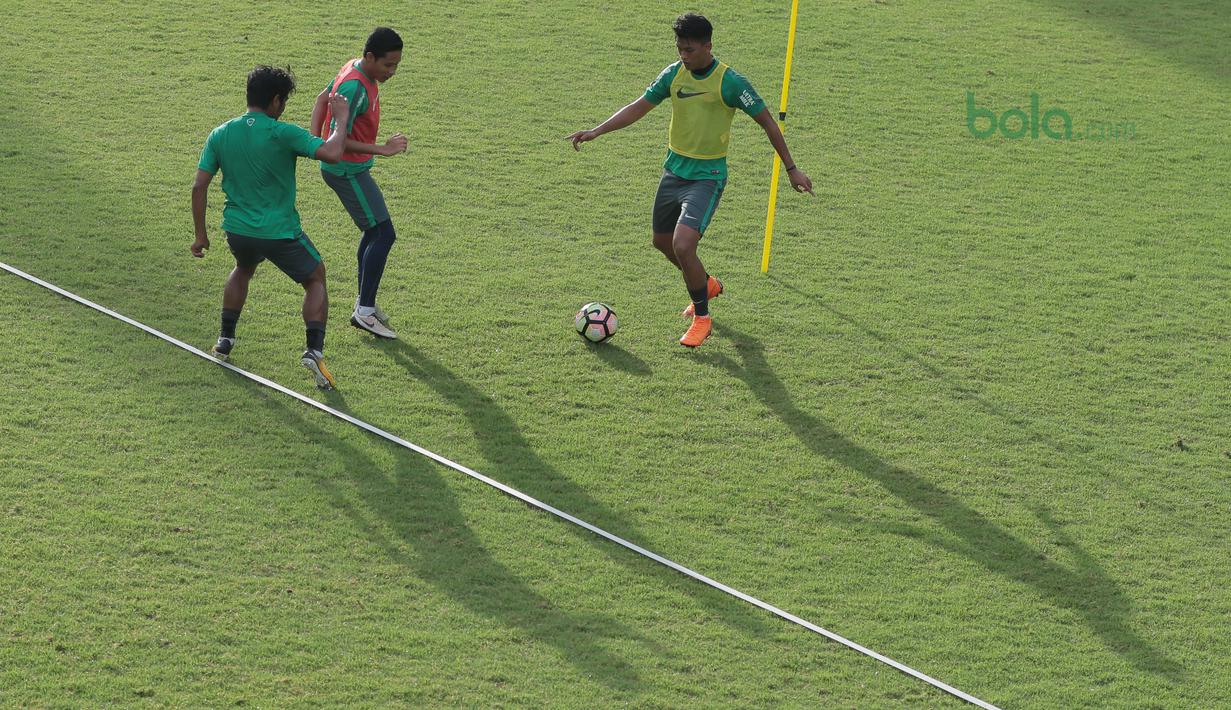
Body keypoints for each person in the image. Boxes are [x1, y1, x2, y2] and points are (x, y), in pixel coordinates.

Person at [567, 13, 814, 347]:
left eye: (690, 49)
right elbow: (639, 107)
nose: (684, 55)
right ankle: (707, 283)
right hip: (673, 172)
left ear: (708, 46)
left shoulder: (731, 82)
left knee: (684, 245)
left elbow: (768, 122)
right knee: (661, 242)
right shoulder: (673, 74)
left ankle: (702, 317)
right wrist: (597, 130)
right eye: (680, 48)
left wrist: (791, 169)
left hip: (707, 178)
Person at [190, 65, 351, 390]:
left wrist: (201, 234)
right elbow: (332, 153)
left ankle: (224, 340)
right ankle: (314, 350)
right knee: (315, 276)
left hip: (238, 231)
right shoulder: (283, 133)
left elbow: (198, 186)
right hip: (279, 233)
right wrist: (342, 119)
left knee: (243, 268)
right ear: (276, 101)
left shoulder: (220, 133)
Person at [311, 27, 407, 340]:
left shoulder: (352, 66)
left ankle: (364, 304)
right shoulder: (355, 87)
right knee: (383, 233)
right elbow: (339, 138)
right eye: (387, 65)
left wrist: (313, 142)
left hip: (351, 169)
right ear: (369, 57)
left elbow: (322, 98)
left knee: (375, 231)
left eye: (395, 65)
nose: (392, 72)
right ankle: (364, 311)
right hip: (346, 171)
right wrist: (383, 148)